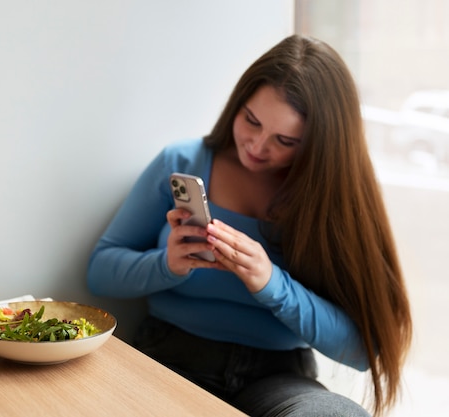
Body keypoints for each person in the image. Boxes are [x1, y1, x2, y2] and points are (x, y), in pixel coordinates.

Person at [87, 34, 412, 417]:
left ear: (318, 144)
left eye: (286, 140)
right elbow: (100, 272)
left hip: (278, 377)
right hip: (170, 356)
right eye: (251, 121)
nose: (257, 147)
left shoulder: (332, 200)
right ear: (237, 104)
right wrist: (167, 264)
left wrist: (272, 283)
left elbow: (364, 350)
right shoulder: (183, 161)